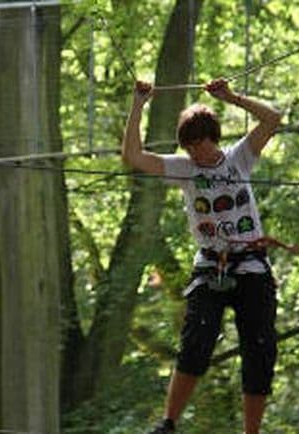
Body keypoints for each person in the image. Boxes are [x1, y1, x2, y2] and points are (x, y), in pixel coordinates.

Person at [121, 78, 282, 434]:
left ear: (214, 138)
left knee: (259, 348)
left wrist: (231, 97)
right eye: (190, 147)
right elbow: (133, 156)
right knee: (197, 337)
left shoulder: (241, 157)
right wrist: (137, 106)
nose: (196, 153)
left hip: (252, 265)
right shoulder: (184, 168)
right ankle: (168, 423)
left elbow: (273, 118)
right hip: (211, 265)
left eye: (200, 145)